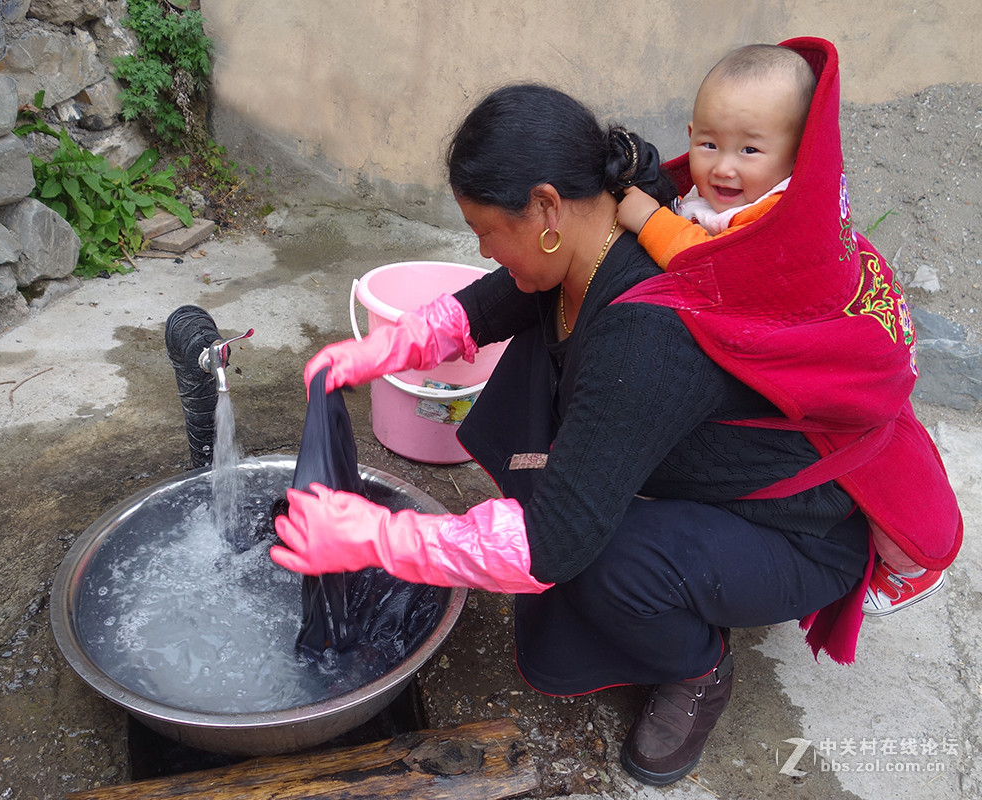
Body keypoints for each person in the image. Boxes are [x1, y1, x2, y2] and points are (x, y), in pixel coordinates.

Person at [272, 38, 960, 787]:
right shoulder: (622, 223)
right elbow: (504, 294)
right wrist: (388, 348)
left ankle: (699, 669)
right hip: (708, 475)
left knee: (597, 561)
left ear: (545, 208)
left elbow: (549, 548)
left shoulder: (650, 336)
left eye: (484, 231)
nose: (482, 249)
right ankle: (671, 545)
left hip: (805, 532)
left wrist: (377, 536)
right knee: (542, 356)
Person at [615, 43, 944, 616]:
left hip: (836, 357)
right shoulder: (718, 193)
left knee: (877, 478)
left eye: (749, 149)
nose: (723, 166)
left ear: (797, 158)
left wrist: (646, 217)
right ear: (690, 133)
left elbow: (712, 262)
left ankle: (904, 561)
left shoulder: (780, 216)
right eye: (708, 143)